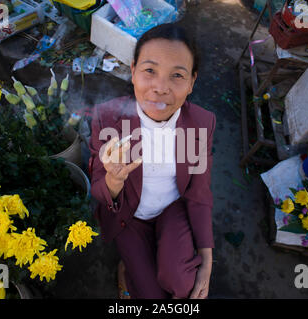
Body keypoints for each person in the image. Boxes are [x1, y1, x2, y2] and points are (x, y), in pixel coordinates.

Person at [89, 23, 216, 299]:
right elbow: (98, 189)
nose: (160, 88)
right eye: (150, 71)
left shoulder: (202, 124)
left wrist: (206, 261)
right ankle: (127, 270)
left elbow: (199, 193)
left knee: (182, 287)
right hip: (128, 217)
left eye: (177, 76)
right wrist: (113, 179)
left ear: (192, 82)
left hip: (173, 210)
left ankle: (149, 261)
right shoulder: (108, 118)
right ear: (133, 71)